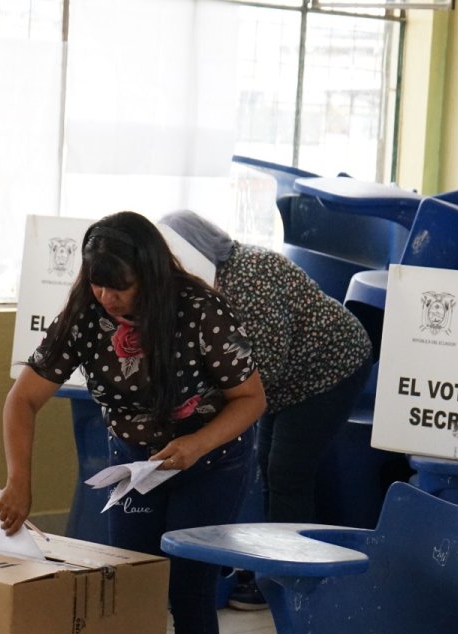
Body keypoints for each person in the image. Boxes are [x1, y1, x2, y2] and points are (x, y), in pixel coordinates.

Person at [0, 211, 266, 634]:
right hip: (136, 467)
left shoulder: (200, 311)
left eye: (120, 287)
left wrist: (197, 444)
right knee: (129, 586)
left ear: (151, 274)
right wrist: (18, 480)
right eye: (99, 285)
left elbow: (250, 399)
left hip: (209, 462)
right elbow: (23, 400)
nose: (108, 298)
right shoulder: (84, 315)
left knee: (189, 589)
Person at [160, 210, 373, 610]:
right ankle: (273, 568)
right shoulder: (214, 280)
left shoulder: (249, 276)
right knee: (269, 467)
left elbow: (265, 367)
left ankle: (289, 583)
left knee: (287, 473)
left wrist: (206, 408)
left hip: (330, 369)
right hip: (288, 380)